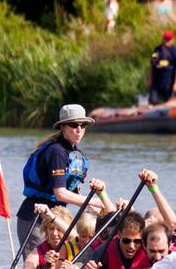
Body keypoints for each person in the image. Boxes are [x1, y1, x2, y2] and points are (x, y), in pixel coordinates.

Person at [15, 104, 113, 249]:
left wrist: (97, 207)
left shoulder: (74, 153)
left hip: (57, 216)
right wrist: (94, 202)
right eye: (74, 125)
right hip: (35, 217)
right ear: (63, 127)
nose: (79, 130)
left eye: (83, 125)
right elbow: (60, 193)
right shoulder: (57, 152)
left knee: (59, 265)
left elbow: (72, 193)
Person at [147, 31, 176, 104]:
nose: (167, 41)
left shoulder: (175, 51)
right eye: (165, 39)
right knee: (152, 101)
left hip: (169, 82)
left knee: (170, 103)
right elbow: (152, 64)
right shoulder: (157, 50)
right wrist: (150, 79)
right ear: (163, 39)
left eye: (169, 39)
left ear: (172, 40)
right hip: (156, 81)